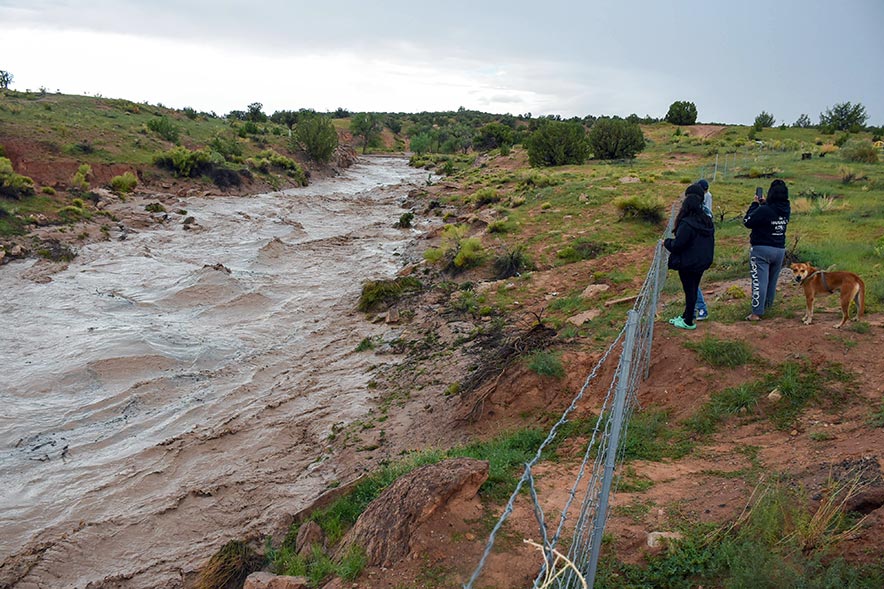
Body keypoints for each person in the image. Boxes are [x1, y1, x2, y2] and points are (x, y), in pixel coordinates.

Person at [664, 184, 715, 330]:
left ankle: (688, 321)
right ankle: (687, 315)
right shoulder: (706, 220)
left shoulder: (687, 223)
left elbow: (678, 245)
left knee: (690, 290)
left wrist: (666, 242)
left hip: (688, 262)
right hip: (701, 261)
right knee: (693, 288)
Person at [743, 179, 791, 321]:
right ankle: (768, 308)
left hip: (762, 250)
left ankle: (757, 313)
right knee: (772, 281)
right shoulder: (786, 208)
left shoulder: (763, 210)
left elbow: (748, 222)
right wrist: (764, 204)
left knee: (759, 282)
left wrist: (755, 205)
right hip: (779, 249)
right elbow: (773, 212)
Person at [694, 179, 713, 320]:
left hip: (696, 254)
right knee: (692, 282)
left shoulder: (705, 200)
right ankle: (695, 307)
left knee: (692, 282)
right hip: (701, 252)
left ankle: (701, 308)